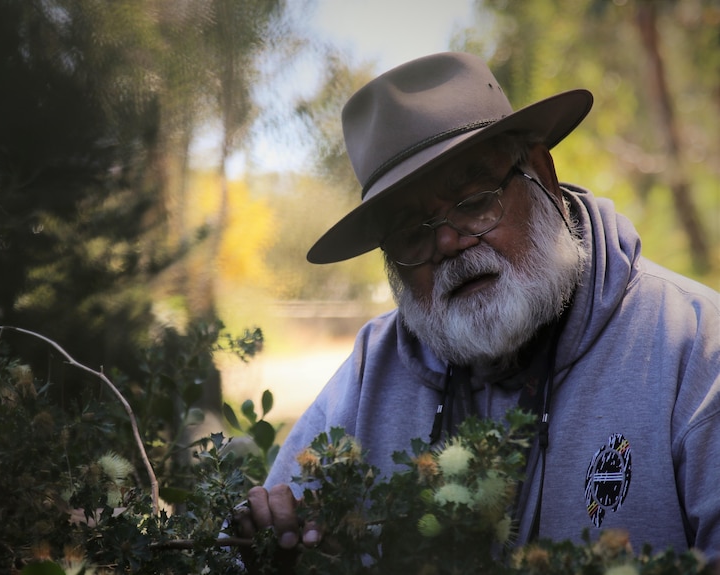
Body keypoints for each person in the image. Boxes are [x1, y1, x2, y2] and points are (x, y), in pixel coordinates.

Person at [234, 52, 720, 565]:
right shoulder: (367, 376)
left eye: (472, 200)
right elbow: (272, 525)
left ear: (542, 175)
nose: (447, 240)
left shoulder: (694, 347)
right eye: (410, 231)